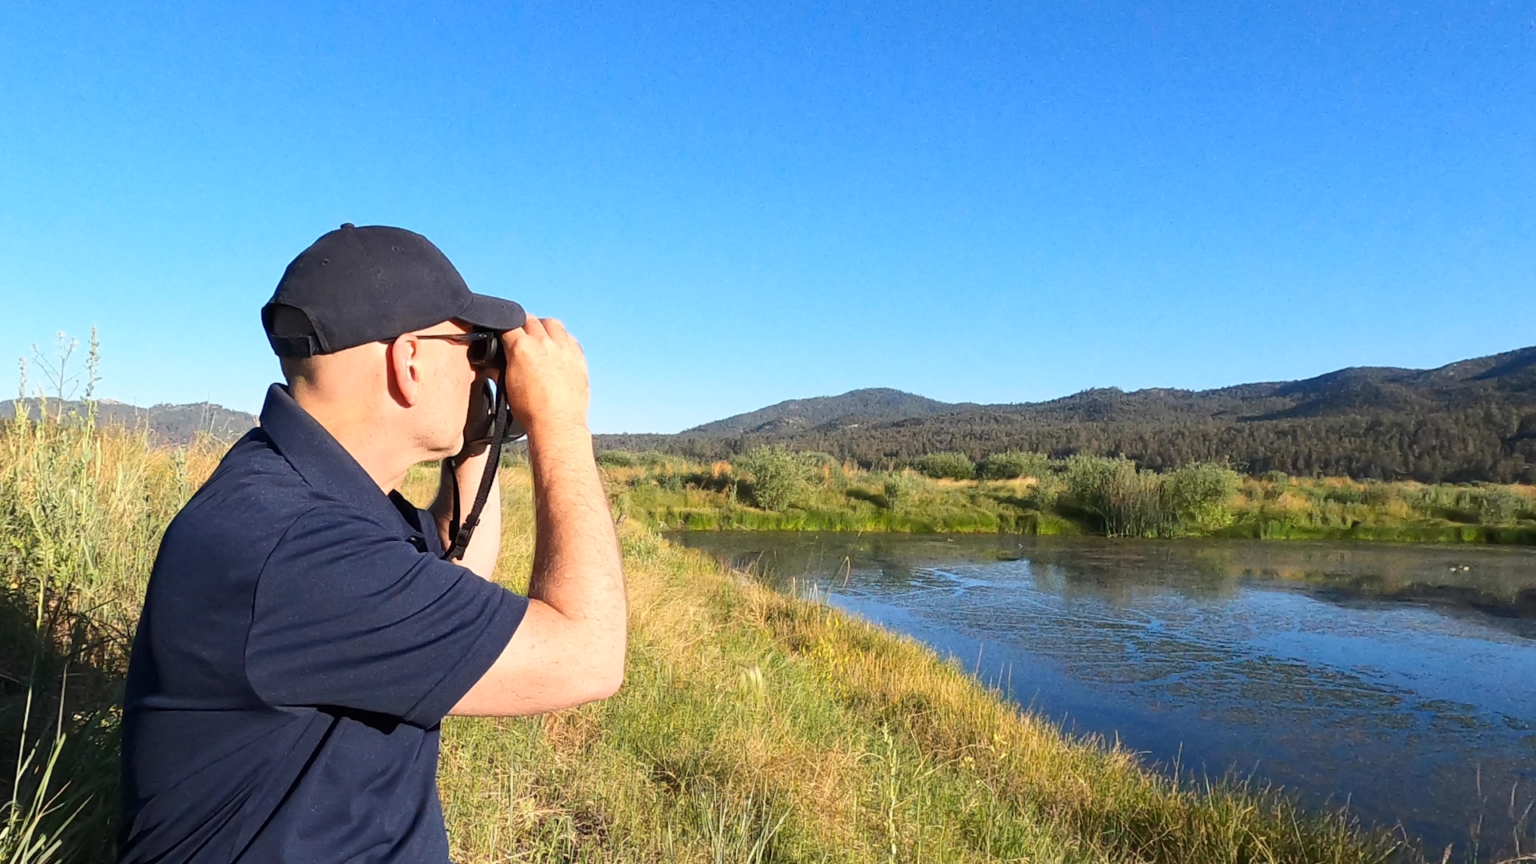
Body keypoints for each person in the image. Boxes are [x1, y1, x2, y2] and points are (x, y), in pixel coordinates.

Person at [118, 224, 627, 863]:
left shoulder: (298, 491)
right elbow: (589, 654)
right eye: (471, 349)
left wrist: (478, 439)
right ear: (408, 361)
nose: (483, 368)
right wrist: (562, 423)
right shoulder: (293, 547)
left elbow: (454, 571)